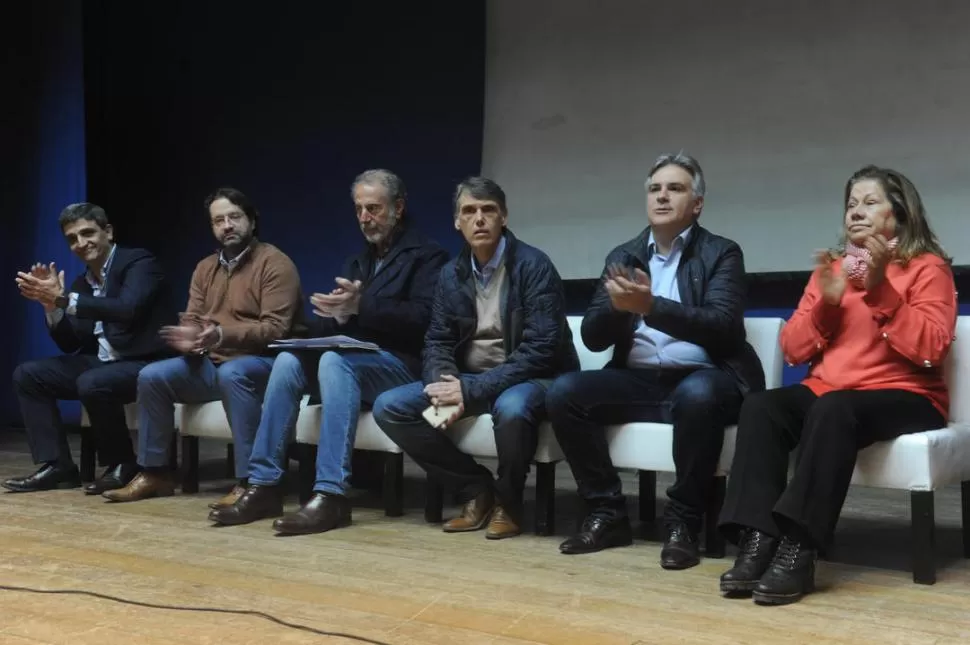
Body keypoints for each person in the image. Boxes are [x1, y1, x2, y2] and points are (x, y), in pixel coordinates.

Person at [717, 165, 956, 605]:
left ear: (899, 213)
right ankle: (758, 541)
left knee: (835, 408)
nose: (856, 213)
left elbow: (932, 348)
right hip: (834, 391)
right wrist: (827, 305)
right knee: (761, 407)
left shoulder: (927, 267)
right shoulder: (832, 269)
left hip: (908, 395)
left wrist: (881, 289)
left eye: (869, 202)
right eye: (850, 204)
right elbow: (793, 348)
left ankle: (798, 549)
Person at [546, 152, 765, 569]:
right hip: (639, 378)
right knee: (565, 392)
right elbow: (593, 337)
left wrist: (651, 305)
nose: (662, 196)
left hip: (707, 375)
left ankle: (683, 522)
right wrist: (619, 307)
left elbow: (724, 327)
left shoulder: (722, 253)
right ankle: (606, 512)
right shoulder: (624, 255)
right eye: (654, 189)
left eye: (675, 188)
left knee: (698, 395)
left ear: (697, 204)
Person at [209, 169, 448, 532]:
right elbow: (347, 321)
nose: (365, 218)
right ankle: (264, 485)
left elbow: (427, 319)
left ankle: (332, 495)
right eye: (358, 210)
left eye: (374, 209)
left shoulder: (429, 257)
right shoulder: (357, 262)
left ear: (398, 208)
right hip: (358, 360)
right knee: (289, 360)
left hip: (403, 366)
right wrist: (334, 318)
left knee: (336, 362)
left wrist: (359, 307)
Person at [373, 176, 578, 540]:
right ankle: (476, 488)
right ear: (457, 221)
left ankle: (510, 502)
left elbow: (542, 349)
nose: (479, 218)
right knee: (390, 406)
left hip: (533, 377)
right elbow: (436, 339)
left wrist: (471, 390)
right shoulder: (450, 275)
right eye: (469, 211)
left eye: (488, 210)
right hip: (471, 378)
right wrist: (443, 383)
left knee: (512, 409)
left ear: (504, 218)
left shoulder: (533, 266)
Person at [103, 187, 303, 502]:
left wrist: (221, 334)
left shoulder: (275, 263)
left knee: (233, 373)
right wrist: (190, 339)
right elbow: (194, 317)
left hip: (264, 365)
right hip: (212, 363)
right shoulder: (205, 267)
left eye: (234, 217)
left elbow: (275, 329)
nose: (227, 226)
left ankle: (251, 481)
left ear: (251, 220)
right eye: (218, 220)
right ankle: (155, 473)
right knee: (153, 376)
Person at [4, 203, 174, 495]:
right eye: (72, 238)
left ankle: (122, 464)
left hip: (148, 363)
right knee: (28, 374)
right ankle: (57, 466)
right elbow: (72, 343)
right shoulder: (82, 283)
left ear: (107, 231)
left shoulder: (138, 263)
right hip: (105, 364)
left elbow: (127, 309)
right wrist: (51, 308)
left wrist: (64, 301)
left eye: (87, 233)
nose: (81, 243)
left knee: (93, 382)